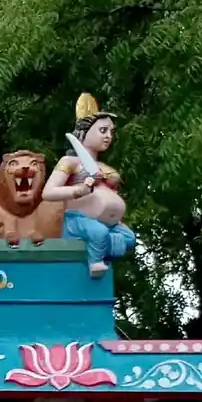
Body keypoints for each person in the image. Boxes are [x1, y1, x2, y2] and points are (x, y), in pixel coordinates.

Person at [42, 95, 136, 277]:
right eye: (103, 130)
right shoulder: (70, 162)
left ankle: (100, 247)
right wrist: (80, 190)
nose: (108, 136)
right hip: (78, 220)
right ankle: (95, 262)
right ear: (86, 131)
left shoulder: (105, 168)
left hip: (110, 222)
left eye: (111, 132)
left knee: (129, 238)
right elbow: (48, 192)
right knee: (98, 232)